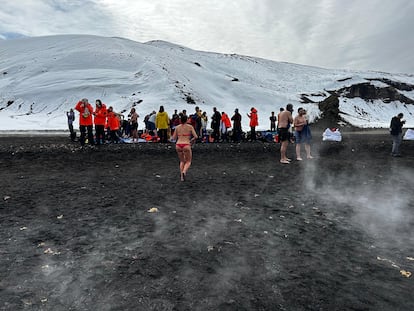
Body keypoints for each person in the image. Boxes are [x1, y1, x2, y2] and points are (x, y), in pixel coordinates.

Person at [171, 115, 198, 181]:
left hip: (178, 144)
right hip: (186, 144)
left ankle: (182, 177)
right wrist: (191, 140)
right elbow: (196, 136)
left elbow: (173, 138)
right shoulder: (190, 127)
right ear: (186, 120)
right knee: (188, 161)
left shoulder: (177, 127)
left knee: (182, 161)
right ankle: (184, 172)